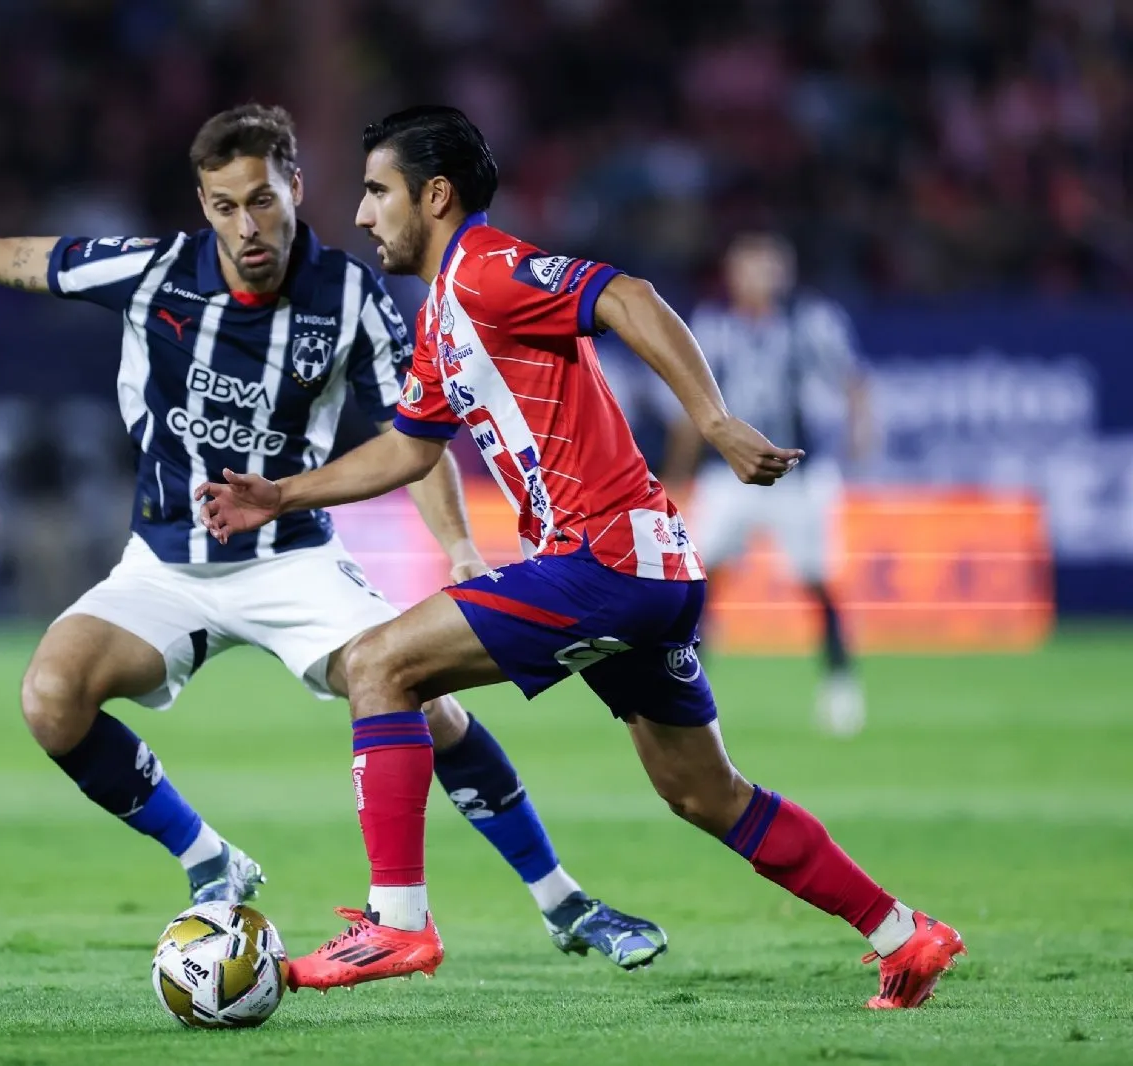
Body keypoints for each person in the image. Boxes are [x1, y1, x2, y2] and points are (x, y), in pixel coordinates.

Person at [0, 104, 667, 967]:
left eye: (263, 200)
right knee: (50, 697)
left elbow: (414, 438)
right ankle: (209, 859)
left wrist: (460, 548)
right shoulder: (151, 271)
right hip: (163, 564)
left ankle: (565, 902)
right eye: (226, 206)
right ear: (204, 205)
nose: (248, 226)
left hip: (293, 559)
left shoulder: (349, 296)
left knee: (420, 697)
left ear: (296, 187)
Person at [196, 105, 964, 1008]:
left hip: (606, 559)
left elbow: (629, 295)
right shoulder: (446, 312)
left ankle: (397, 921)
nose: (362, 215)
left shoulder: (486, 269)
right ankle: (904, 934)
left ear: (434, 196)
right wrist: (283, 494)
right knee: (702, 792)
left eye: (377, 191)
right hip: (645, 568)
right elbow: (410, 448)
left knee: (378, 665)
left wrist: (712, 422)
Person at [664, 233, 871, 735]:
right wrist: (677, 471)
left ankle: (840, 682)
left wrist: (858, 438)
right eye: (747, 267)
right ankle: (690, 686)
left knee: (817, 579)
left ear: (784, 272)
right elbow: (693, 406)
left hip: (796, 471)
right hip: (729, 474)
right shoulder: (712, 325)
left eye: (766, 267)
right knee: (698, 580)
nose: (756, 278)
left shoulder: (810, 321)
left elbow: (853, 381)